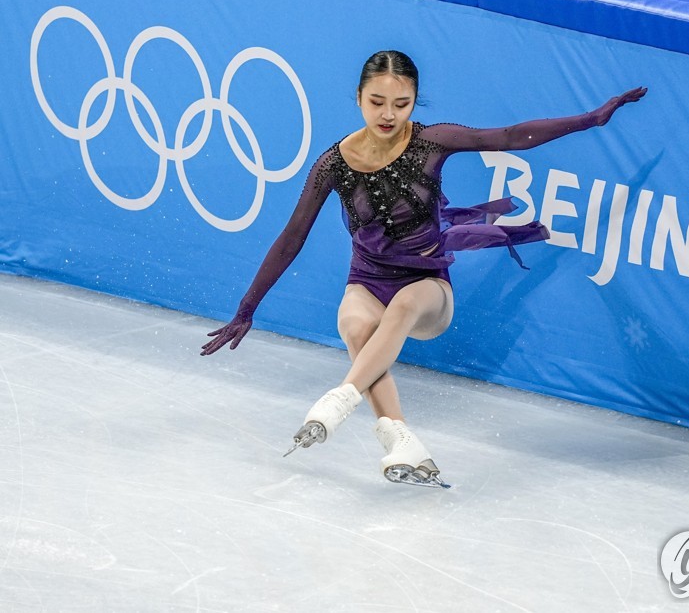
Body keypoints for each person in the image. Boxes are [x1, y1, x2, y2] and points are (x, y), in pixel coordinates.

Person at [201, 50, 646, 488]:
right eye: (377, 102)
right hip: (368, 279)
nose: (388, 114)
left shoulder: (433, 141)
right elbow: (292, 236)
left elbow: (510, 136)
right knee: (355, 325)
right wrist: (247, 308)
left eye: (401, 104)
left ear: (415, 101)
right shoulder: (333, 165)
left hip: (427, 288)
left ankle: (340, 400)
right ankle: (400, 440)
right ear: (358, 97)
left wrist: (591, 119)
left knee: (401, 308)